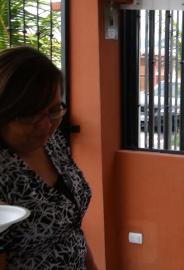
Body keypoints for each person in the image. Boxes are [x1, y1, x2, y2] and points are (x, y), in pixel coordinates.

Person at [0, 47, 97, 269]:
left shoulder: (52, 143)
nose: (45, 125)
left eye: (54, 110)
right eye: (30, 115)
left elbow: (70, 226)